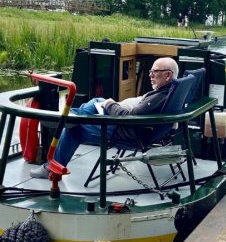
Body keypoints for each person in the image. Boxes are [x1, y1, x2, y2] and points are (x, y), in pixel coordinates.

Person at [30, 57, 179, 179]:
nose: (150, 75)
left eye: (155, 72)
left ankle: (53, 160)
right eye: (150, 71)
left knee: (74, 130)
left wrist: (110, 105)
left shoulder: (160, 96)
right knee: (96, 101)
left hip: (126, 131)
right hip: (135, 129)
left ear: (168, 75)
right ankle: (70, 117)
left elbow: (129, 117)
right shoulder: (172, 92)